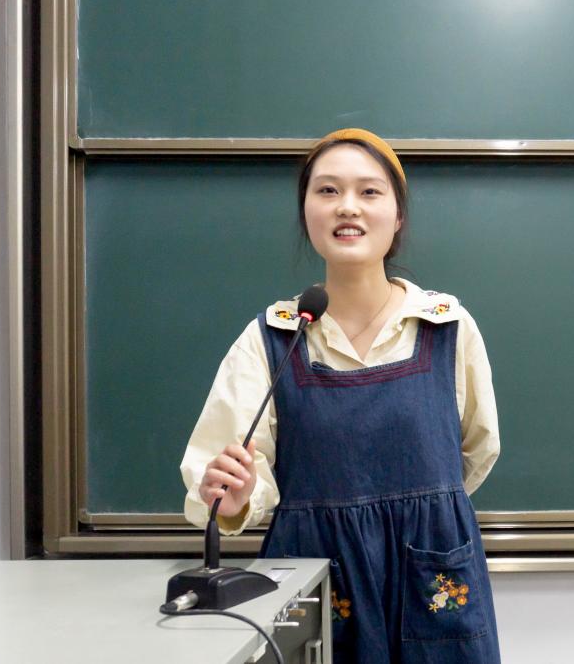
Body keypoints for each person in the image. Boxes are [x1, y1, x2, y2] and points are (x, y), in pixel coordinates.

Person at [180, 128, 501, 662]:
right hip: (316, 578)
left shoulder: (448, 327)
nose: (347, 206)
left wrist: (421, 507)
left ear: (398, 216)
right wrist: (233, 497)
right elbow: (225, 473)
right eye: (327, 190)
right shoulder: (270, 338)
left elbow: (475, 451)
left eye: (369, 191)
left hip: (430, 575)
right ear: (305, 212)